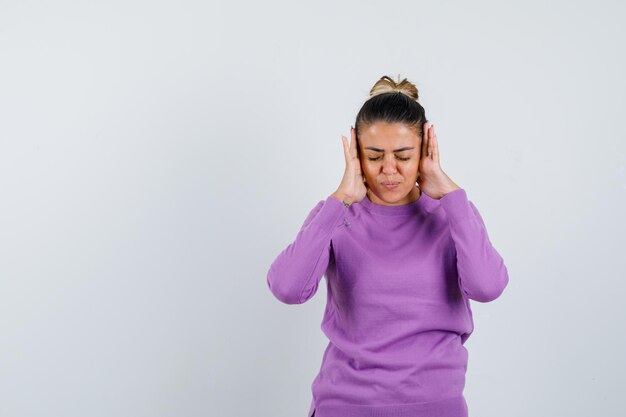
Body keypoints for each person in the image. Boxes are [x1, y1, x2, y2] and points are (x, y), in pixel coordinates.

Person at [266, 74, 509, 417]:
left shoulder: (452, 214)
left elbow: (487, 287)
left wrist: (453, 196)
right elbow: (288, 288)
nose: (389, 169)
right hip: (347, 405)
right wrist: (339, 200)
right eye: (375, 155)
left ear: (425, 151)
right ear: (355, 154)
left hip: (436, 406)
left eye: (403, 156)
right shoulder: (335, 215)